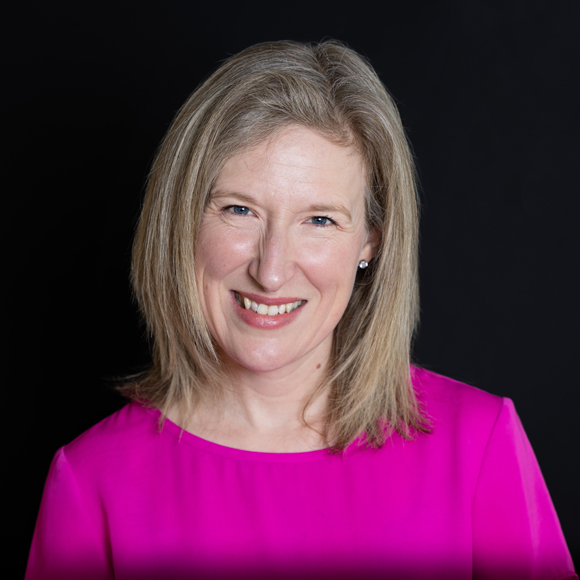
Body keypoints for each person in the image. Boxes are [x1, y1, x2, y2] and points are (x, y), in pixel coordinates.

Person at [26, 40, 576, 580]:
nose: (271, 270)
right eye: (239, 210)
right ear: (182, 223)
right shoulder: (92, 481)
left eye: (319, 220)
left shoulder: (478, 446)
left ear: (370, 242)